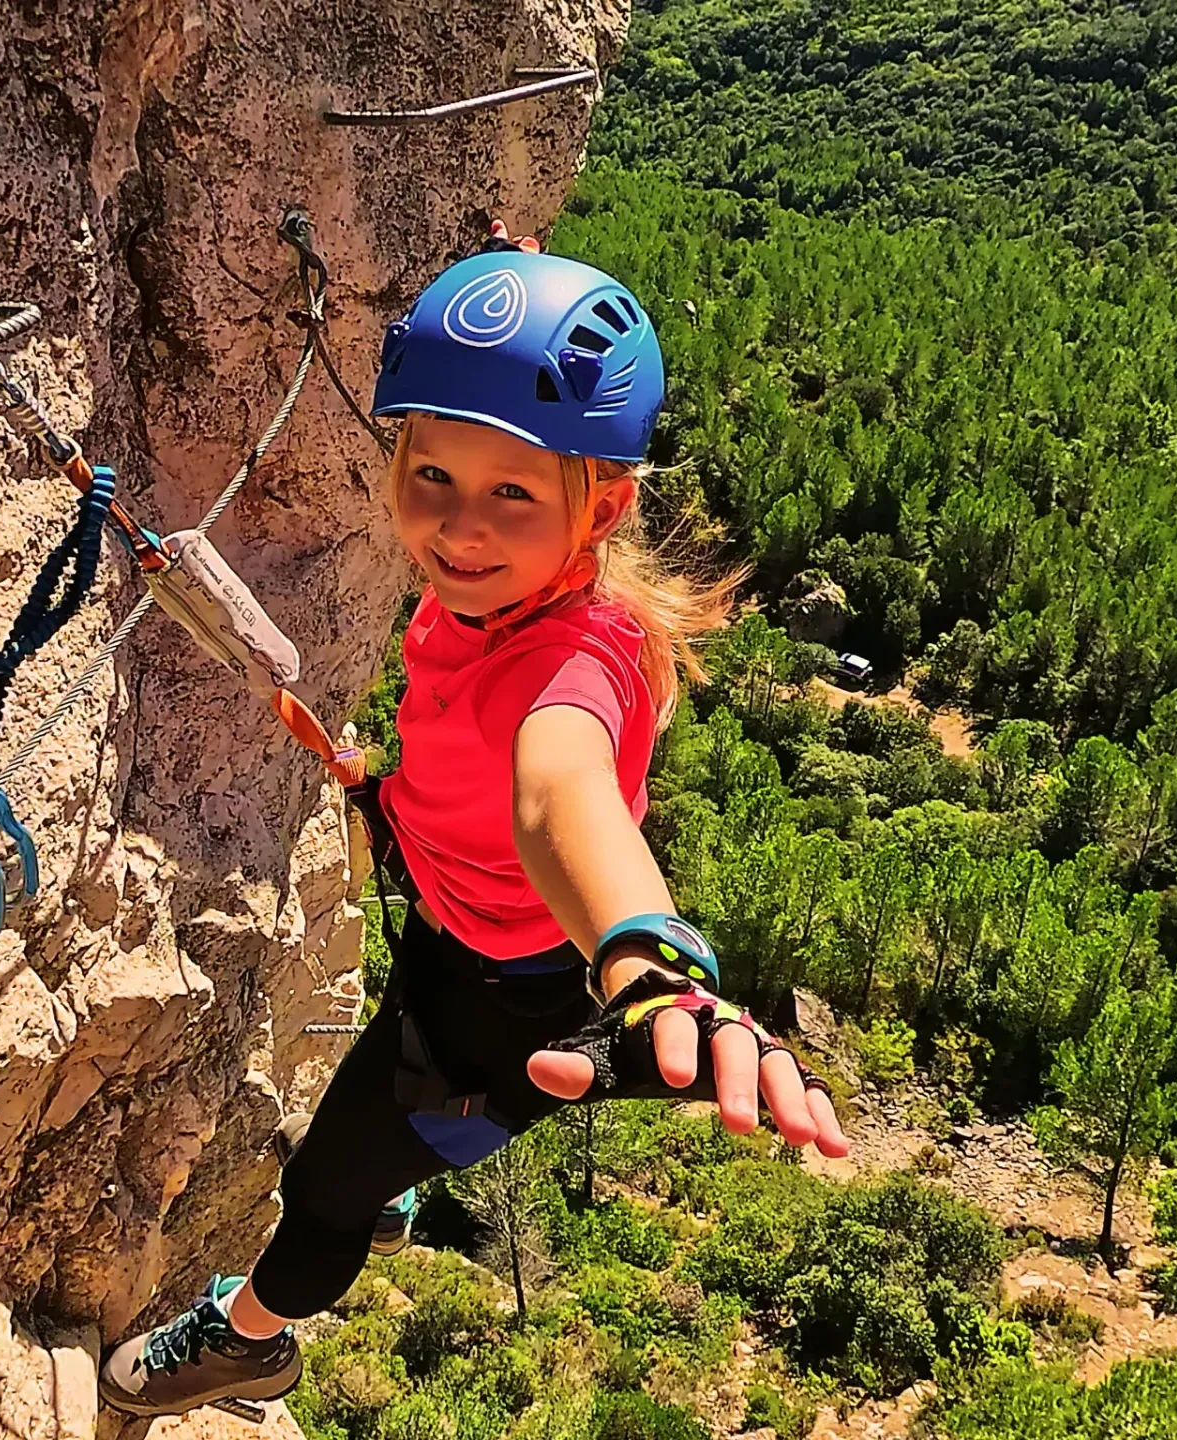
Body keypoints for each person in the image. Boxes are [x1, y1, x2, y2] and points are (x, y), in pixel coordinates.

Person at [99, 223, 851, 1417]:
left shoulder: (582, 658)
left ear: (600, 508)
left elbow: (563, 792)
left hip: (507, 1015)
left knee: (324, 1190)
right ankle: (401, 1174)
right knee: (381, 1108)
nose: (459, 528)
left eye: (512, 493)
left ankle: (252, 1343)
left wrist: (654, 964)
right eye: (431, 476)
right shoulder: (494, 598)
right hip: (451, 937)